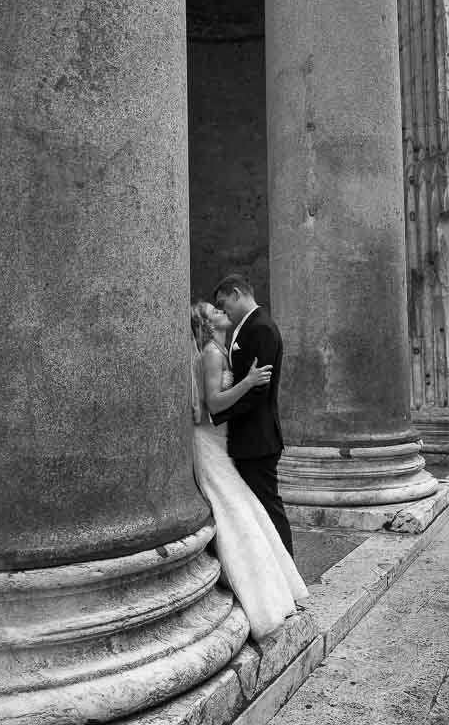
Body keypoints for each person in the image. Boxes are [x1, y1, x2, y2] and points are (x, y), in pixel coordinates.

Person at [190, 300, 307, 641]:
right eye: (214, 310)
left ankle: (275, 582)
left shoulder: (221, 349)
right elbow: (214, 403)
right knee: (236, 509)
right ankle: (258, 588)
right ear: (207, 324)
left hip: (223, 439)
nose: (221, 311)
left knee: (246, 508)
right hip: (211, 441)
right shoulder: (212, 353)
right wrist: (250, 381)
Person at [210, 274, 294, 556]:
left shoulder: (261, 328)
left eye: (225, 305)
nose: (225, 312)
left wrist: (217, 414)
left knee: (269, 507)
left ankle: (287, 568)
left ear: (236, 293)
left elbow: (258, 392)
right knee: (259, 508)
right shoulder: (250, 327)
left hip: (258, 437)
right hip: (250, 436)